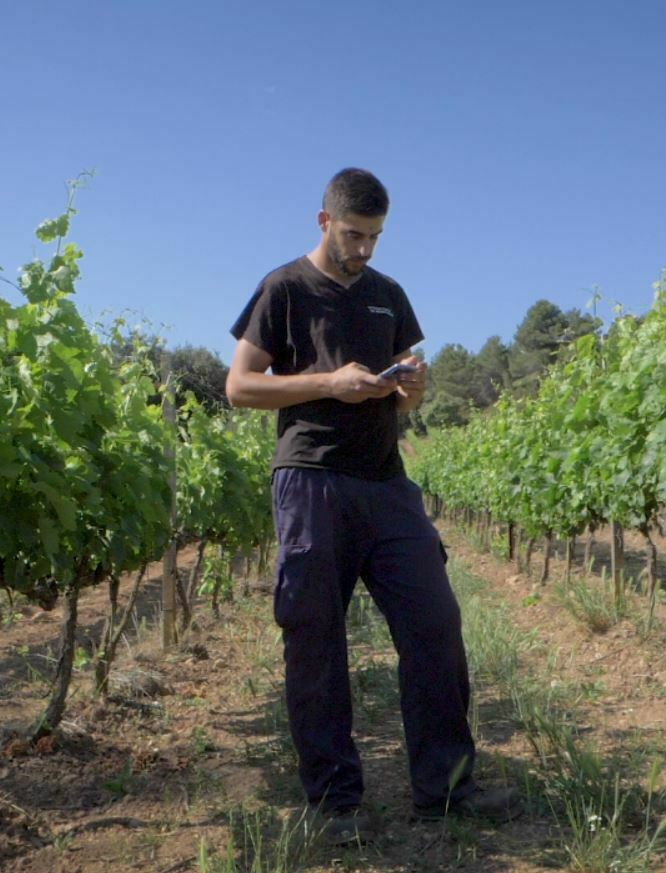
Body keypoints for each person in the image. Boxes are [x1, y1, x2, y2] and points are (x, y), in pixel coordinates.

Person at [225, 168, 521, 844]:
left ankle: (445, 790)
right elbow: (240, 385)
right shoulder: (284, 288)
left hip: (387, 483)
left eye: (375, 237)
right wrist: (330, 381)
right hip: (309, 479)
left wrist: (411, 385)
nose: (364, 249)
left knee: (434, 622)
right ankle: (334, 805)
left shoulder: (389, 296)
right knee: (315, 640)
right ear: (324, 222)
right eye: (354, 235)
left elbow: (410, 396)